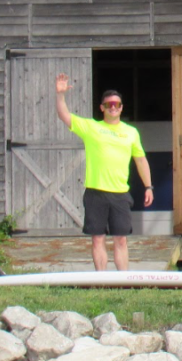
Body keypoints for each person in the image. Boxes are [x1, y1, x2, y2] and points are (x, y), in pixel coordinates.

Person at [55, 73, 153, 271]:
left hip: (120, 194)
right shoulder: (91, 127)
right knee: (98, 239)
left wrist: (149, 186)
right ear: (102, 108)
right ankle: (101, 279)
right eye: (109, 104)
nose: (113, 107)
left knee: (121, 240)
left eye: (117, 104)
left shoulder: (131, 132)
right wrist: (60, 95)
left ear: (122, 107)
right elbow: (65, 116)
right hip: (96, 192)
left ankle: (123, 280)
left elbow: (141, 160)